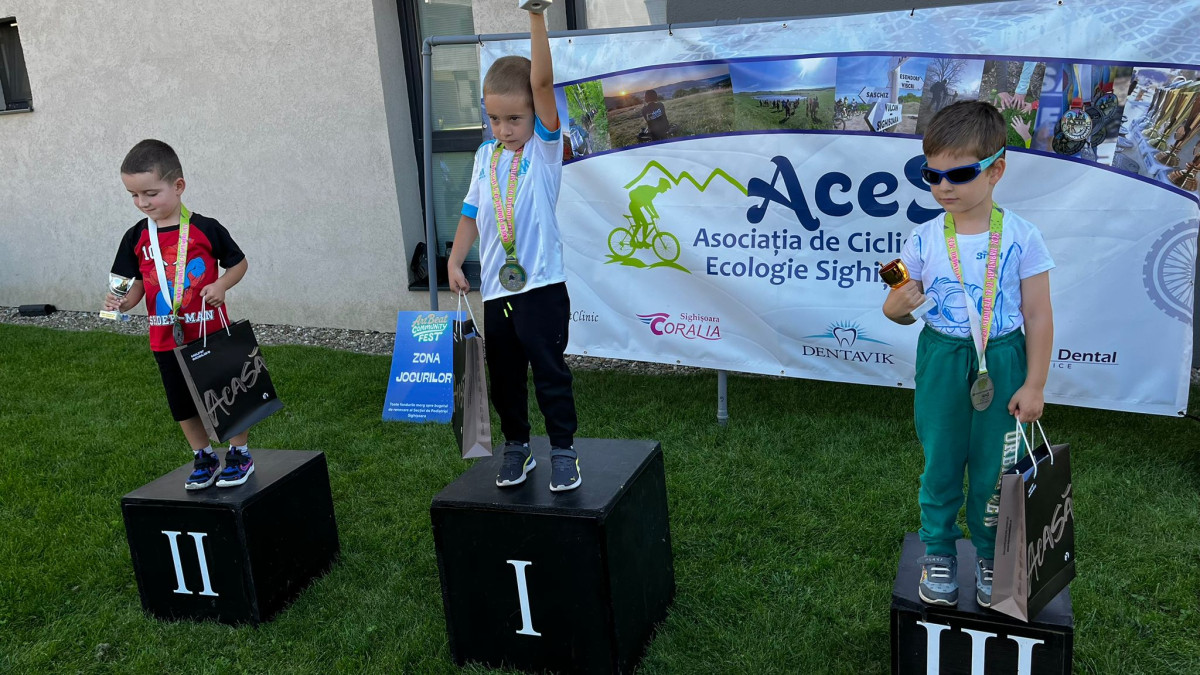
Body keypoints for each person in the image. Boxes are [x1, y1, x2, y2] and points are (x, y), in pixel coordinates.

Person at [882, 101, 1055, 609]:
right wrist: (897, 306)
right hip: (942, 358)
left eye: (959, 174)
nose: (944, 187)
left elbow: (1038, 315)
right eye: (931, 175)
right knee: (939, 461)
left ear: (996, 169)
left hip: (1002, 360)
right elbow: (896, 309)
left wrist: (1035, 384)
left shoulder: (1022, 236)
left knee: (994, 470)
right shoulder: (923, 239)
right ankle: (938, 550)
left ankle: (988, 553)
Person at [445, 8, 581, 492]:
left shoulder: (544, 152)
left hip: (541, 287)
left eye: (515, 118)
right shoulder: (485, 156)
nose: (504, 129)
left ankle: (563, 451)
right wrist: (455, 258)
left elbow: (542, 84)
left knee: (549, 373)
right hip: (497, 291)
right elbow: (470, 213)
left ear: (535, 116)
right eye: (495, 119)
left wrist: (537, 16)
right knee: (504, 377)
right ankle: (517, 447)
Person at [104, 139, 253, 490]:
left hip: (210, 332)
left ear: (178, 185)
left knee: (227, 393)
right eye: (133, 195)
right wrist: (122, 303)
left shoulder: (206, 228)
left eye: (150, 193)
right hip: (164, 339)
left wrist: (221, 285)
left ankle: (239, 453)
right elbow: (135, 285)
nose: (142, 203)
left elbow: (239, 263)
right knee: (182, 403)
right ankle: (203, 456)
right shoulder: (136, 236)